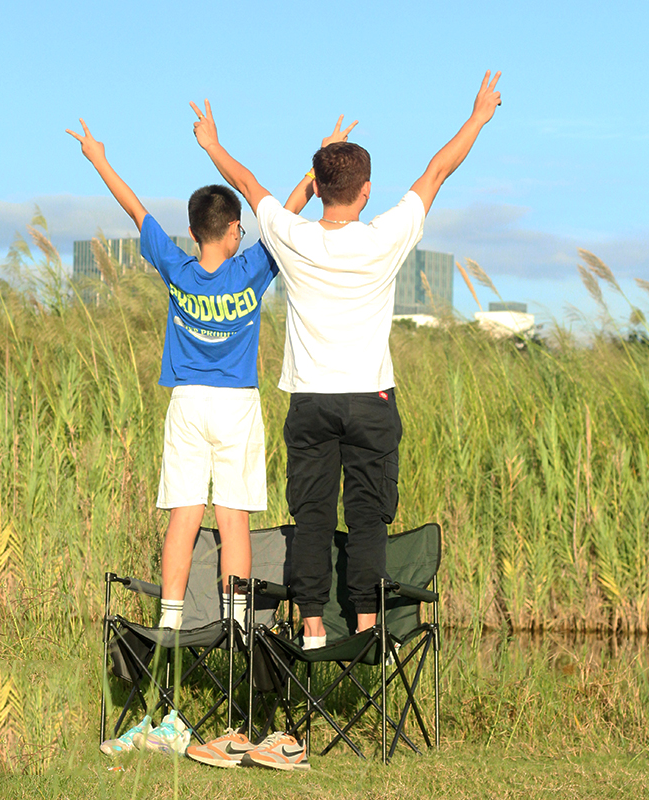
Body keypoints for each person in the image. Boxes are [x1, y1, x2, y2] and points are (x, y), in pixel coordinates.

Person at [66, 115, 355, 757]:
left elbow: (134, 206)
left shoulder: (175, 263)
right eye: (240, 227)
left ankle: (170, 642)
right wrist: (319, 165)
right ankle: (234, 633)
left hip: (187, 407)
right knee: (235, 525)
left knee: (182, 522)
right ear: (230, 231)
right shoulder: (252, 267)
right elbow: (282, 209)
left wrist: (97, 156)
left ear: (194, 231)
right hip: (236, 408)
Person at [191, 71, 502, 650]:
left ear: (322, 186)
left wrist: (211, 142)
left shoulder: (292, 237)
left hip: (310, 403)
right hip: (370, 401)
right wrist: (479, 115)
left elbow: (248, 181)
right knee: (367, 517)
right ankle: (364, 627)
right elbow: (437, 171)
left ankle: (311, 627)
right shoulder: (384, 236)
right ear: (364, 192)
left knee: (311, 517)